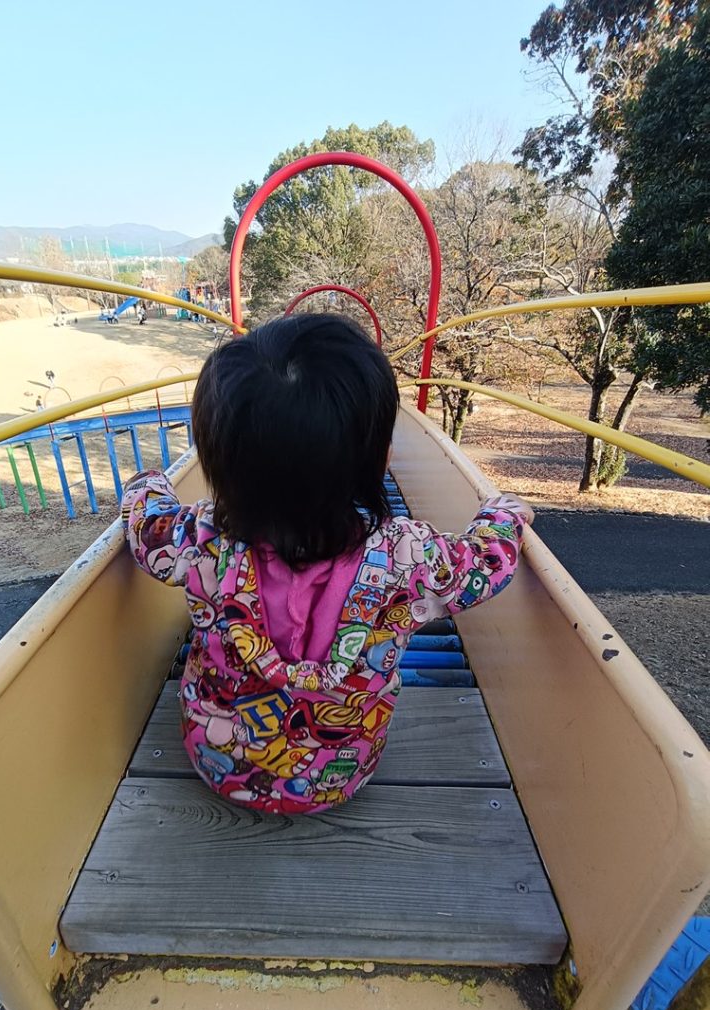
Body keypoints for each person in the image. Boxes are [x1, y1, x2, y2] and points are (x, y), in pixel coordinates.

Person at [121, 314, 533, 815]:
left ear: (218, 462)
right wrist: (503, 516)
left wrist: (147, 482)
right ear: (380, 459)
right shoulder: (407, 557)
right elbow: (484, 565)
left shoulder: (199, 540)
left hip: (218, 762)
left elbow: (145, 526)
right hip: (342, 776)